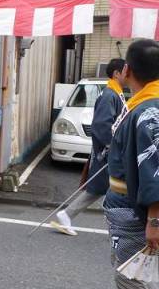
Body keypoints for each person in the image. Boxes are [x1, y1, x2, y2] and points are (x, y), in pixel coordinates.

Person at [96, 39, 159, 289]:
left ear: (129, 70)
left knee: (130, 274)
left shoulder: (147, 110)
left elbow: (154, 170)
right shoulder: (150, 103)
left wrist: (154, 220)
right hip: (139, 209)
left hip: (133, 209)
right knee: (147, 268)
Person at [51, 58, 127, 236]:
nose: (128, 74)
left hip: (107, 153)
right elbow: (101, 125)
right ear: (116, 74)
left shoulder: (114, 93)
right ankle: (121, 228)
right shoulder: (110, 95)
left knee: (101, 188)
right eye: (125, 71)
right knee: (114, 189)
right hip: (107, 153)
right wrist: (112, 147)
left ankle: (67, 214)